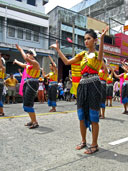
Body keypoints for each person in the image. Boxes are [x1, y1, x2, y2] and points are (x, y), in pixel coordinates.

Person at [50, 27, 108, 154]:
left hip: (94, 85)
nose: (86, 41)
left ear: (95, 40)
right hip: (82, 85)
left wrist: (102, 39)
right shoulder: (82, 55)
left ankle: (94, 144)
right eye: (85, 39)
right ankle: (83, 141)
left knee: (93, 116)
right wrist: (58, 50)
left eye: (89, 39)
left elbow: (100, 57)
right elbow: (66, 62)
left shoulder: (98, 55)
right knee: (81, 115)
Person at [13, 45, 40, 129]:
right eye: (27, 53)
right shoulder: (29, 65)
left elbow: (25, 59)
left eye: (30, 53)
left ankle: (35, 122)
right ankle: (32, 120)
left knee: (28, 103)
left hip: (32, 83)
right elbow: (23, 64)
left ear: (33, 55)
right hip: (28, 82)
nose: (28, 54)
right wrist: (16, 61)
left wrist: (20, 49)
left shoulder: (35, 63)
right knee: (26, 102)